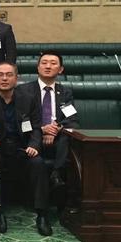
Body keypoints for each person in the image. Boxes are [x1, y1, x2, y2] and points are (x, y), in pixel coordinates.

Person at [0, 62, 51, 236]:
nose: (4, 78)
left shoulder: (28, 98)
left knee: (38, 163)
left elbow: (37, 126)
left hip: (22, 148)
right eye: (0, 75)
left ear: (16, 78)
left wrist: (33, 145)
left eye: (9, 75)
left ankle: (42, 214)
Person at [17, 51, 79, 189]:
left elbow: (72, 119)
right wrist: (41, 130)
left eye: (53, 63)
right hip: (31, 138)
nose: (48, 66)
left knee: (66, 136)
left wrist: (56, 129)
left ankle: (56, 174)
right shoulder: (23, 90)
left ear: (61, 69)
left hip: (57, 139)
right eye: (44, 63)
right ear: (38, 67)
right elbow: (22, 118)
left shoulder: (65, 92)